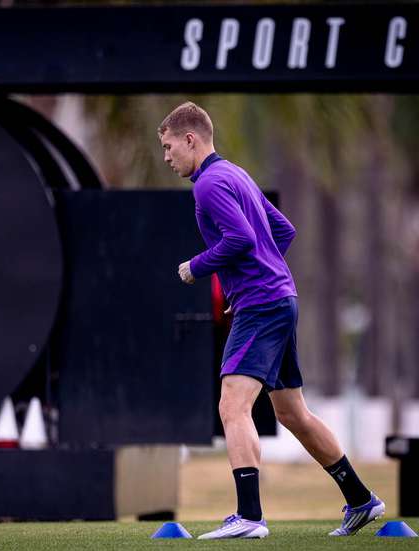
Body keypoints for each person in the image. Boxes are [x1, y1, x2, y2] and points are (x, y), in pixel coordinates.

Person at [158, 102, 385, 539]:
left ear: (190, 139)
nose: (167, 157)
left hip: (263, 304)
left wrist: (196, 267)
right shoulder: (237, 174)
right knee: (293, 412)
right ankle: (361, 500)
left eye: (169, 147)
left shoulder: (208, 184)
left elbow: (241, 238)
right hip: (278, 298)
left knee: (232, 405)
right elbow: (283, 231)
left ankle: (249, 516)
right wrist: (254, 278)